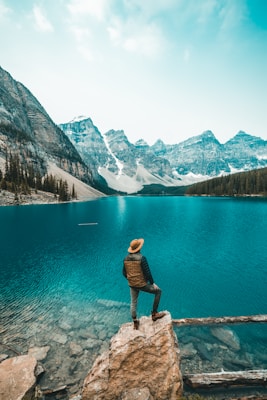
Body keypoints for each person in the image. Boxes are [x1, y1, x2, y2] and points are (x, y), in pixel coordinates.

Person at [123, 238, 166, 329]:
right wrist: (153, 283)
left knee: (133, 302)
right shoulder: (142, 258)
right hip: (142, 284)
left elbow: (124, 273)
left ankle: (135, 322)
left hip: (132, 284)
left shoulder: (126, 258)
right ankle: (154, 314)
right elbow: (147, 272)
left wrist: (131, 279)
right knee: (158, 292)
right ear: (139, 248)